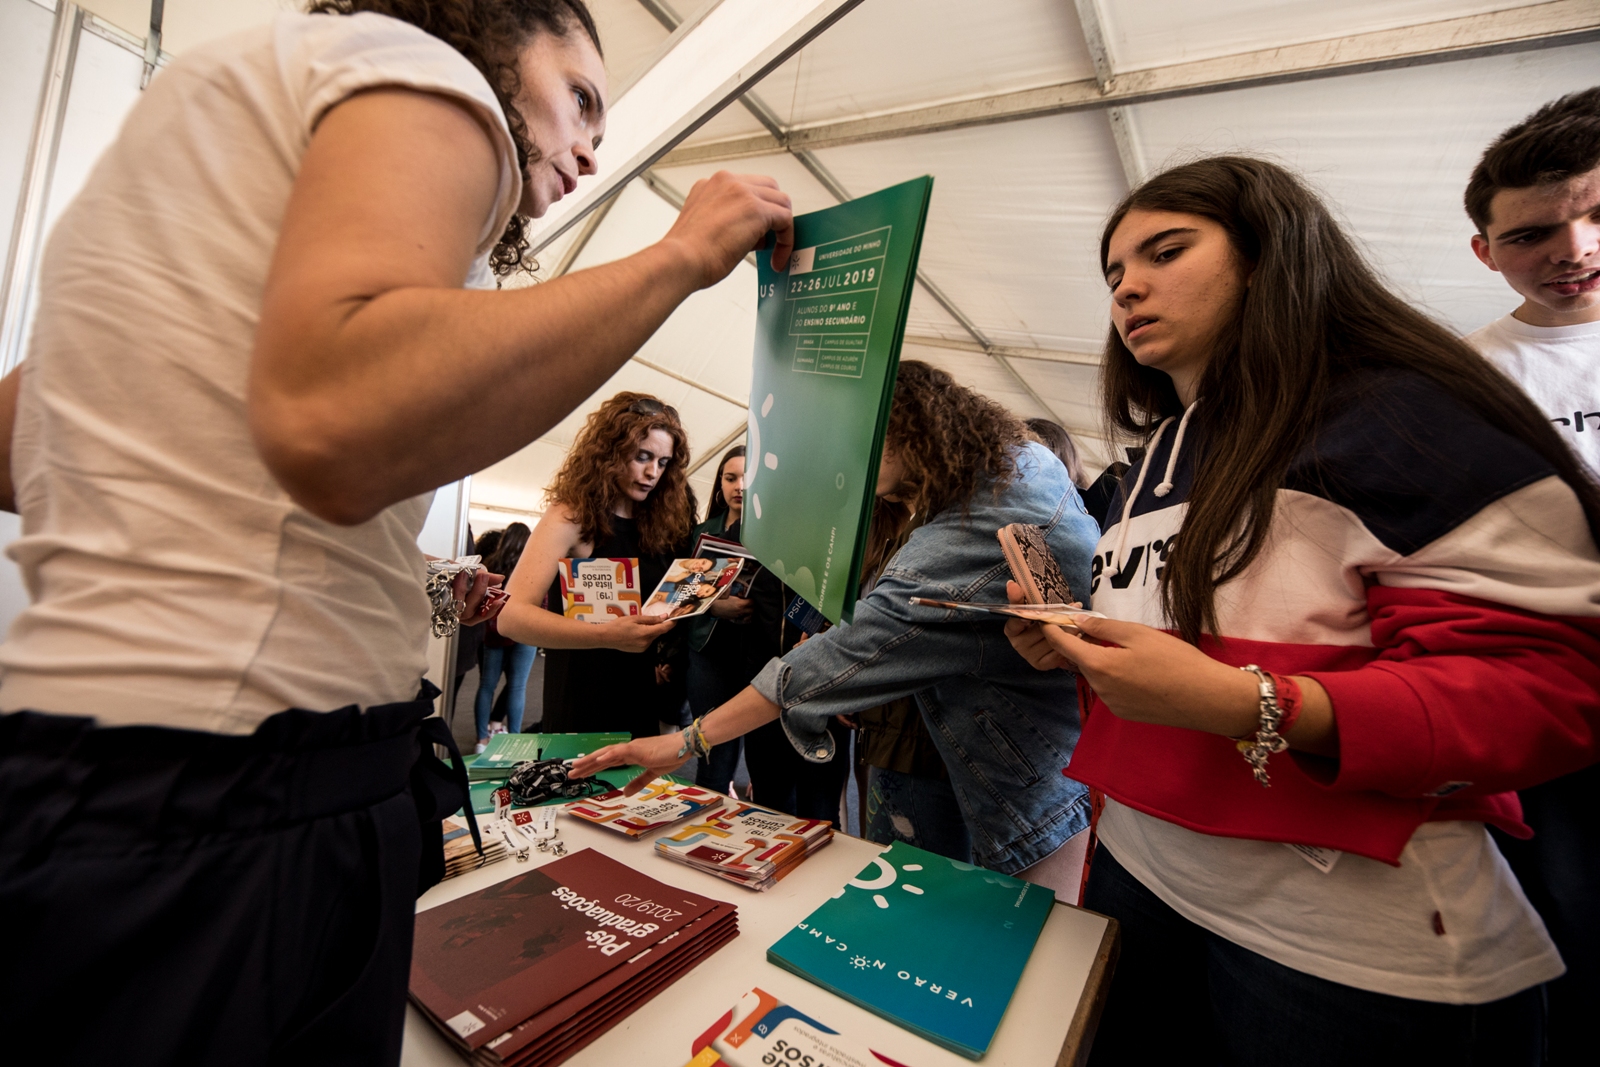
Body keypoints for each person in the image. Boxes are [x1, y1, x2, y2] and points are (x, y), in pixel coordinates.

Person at [0, 0, 795, 1062]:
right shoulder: (419, 69)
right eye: (579, 99)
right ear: (494, 38)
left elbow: (35, 437)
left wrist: (388, 561)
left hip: (85, 773)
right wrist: (677, 257)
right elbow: (336, 416)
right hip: (252, 796)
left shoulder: (187, 138)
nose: (593, 148)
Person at [1004, 156, 1600, 1064]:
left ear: (1270, 253)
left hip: (1346, 943)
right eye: (1115, 274)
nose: (1128, 288)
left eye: (1165, 251)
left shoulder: (1400, 413)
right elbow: (1179, 649)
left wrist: (1252, 704)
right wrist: (1077, 648)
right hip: (1143, 873)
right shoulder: (1155, 452)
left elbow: (1544, 681)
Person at [576, 361, 1101, 893]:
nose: (859, 478)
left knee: (975, 923)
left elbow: (834, 657)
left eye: (858, 452)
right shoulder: (1023, 462)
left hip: (1016, 781)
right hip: (1043, 758)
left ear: (900, 434)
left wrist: (683, 742)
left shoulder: (958, 542)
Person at [1462, 87, 1600, 1064]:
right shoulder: (1466, 379)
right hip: (1561, 715)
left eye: (1592, 216)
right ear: (1485, 249)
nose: (1572, 248)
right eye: (1533, 232)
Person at [497, 393, 691, 741]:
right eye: (642, 457)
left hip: (640, 697)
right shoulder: (571, 517)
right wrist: (607, 636)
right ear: (610, 452)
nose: (652, 473)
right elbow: (510, 616)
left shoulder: (659, 523)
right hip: (580, 701)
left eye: (663, 463)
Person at [473, 522, 536, 750]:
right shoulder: (532, 567)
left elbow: (482, 604)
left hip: (494, 633)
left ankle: (481, 740)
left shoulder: (491, 565)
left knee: (486, 686)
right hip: (525, 633)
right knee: (517, 687)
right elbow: (541, 603)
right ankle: (515, 740)